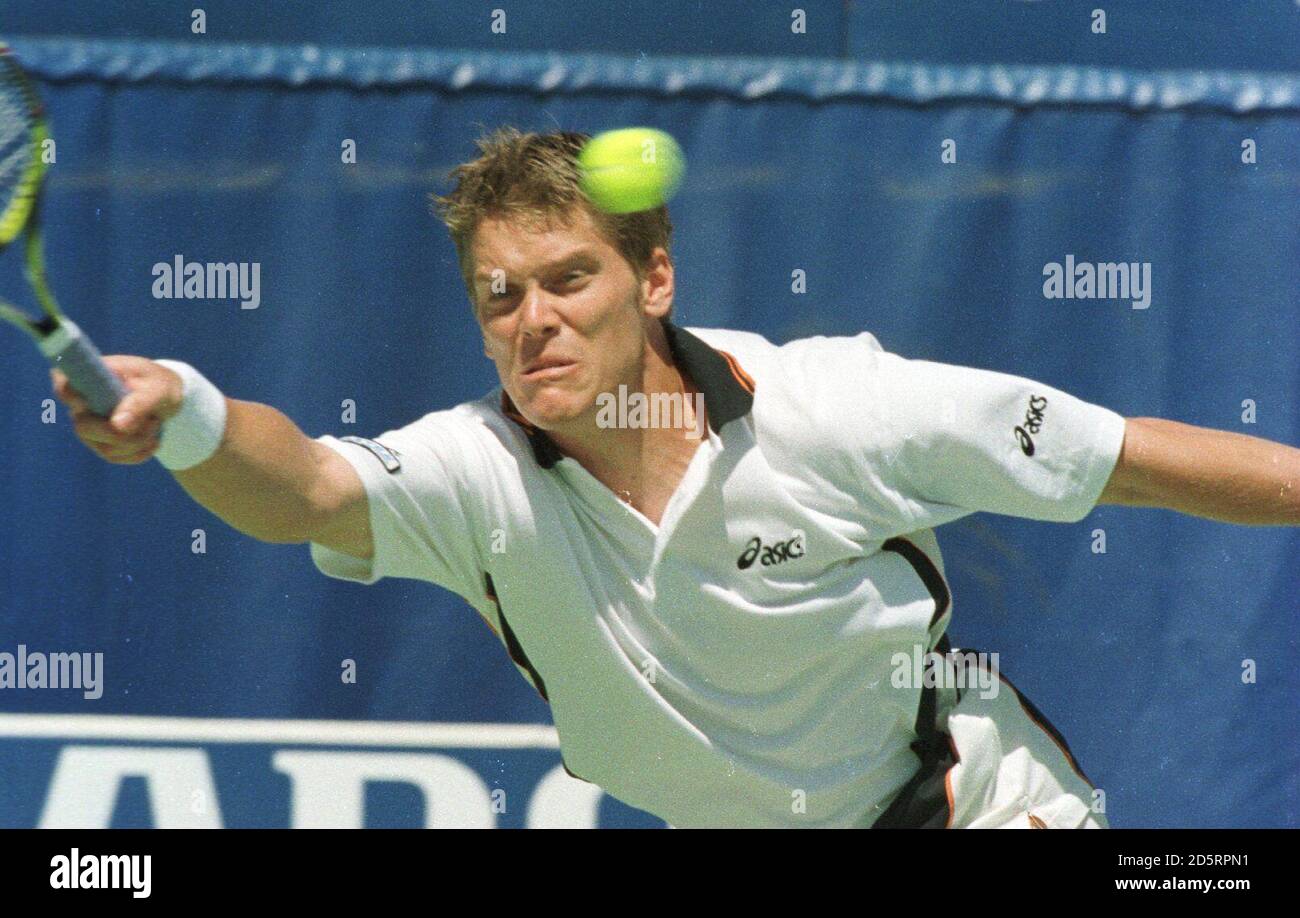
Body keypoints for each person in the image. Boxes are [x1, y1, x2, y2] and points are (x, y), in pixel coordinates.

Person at [52, 128, 1300, 828]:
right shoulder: (474, 476)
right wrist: (185, 420)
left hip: (969, 812)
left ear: (651, 281)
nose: (531, 318)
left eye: (567, 279)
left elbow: (1125, 459)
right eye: (500, 294)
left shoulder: (838, 409)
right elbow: (307, 489)